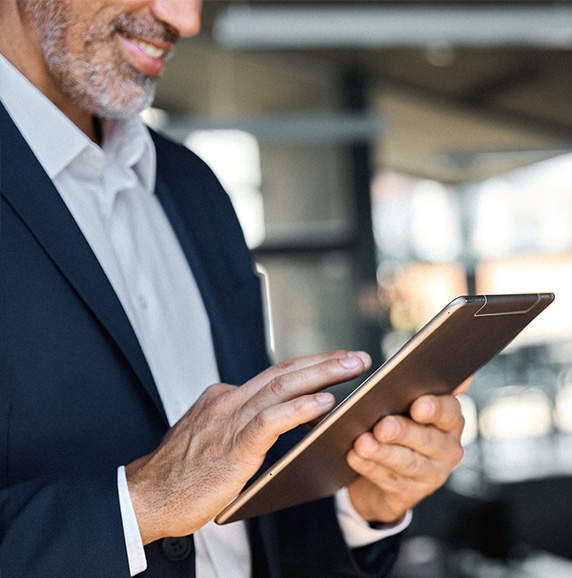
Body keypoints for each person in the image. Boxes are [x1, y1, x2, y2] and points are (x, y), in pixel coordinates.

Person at [0, 0, 468, 577]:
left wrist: (360, 503)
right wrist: (140, 504)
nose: (186, 20)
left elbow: (250, 517)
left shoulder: (194, 188)